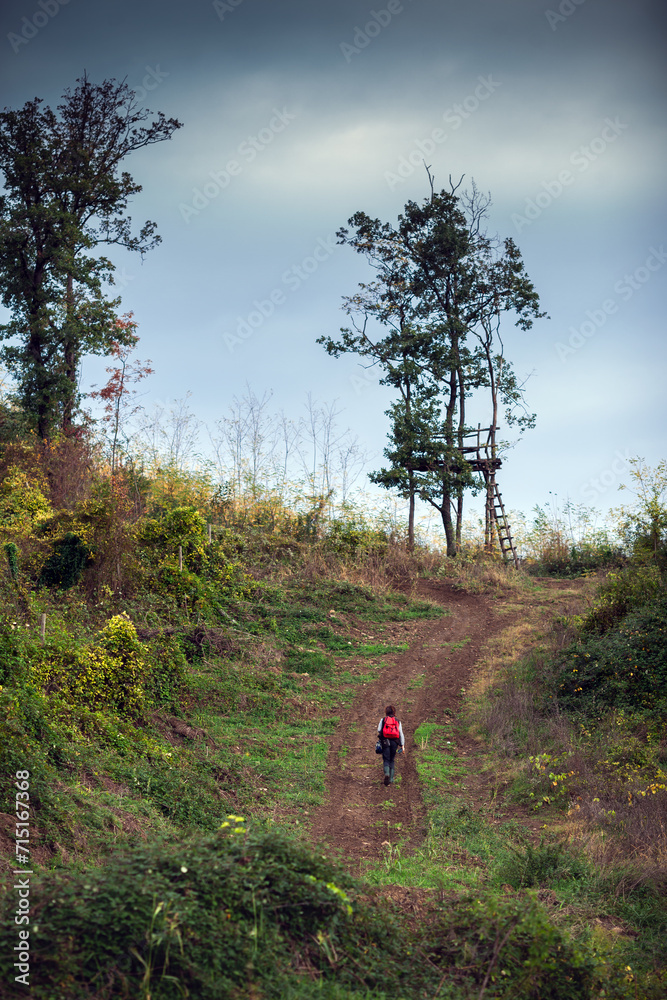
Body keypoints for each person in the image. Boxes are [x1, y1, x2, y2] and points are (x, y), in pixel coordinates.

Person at [378, 705, 405, 786]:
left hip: (385, 742)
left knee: (386, 759)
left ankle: (386, 773)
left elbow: (379, 730)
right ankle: (391, 778)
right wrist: (402, 745)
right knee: (392, 759)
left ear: (386, 711)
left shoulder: (383, 720)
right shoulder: (397, 721)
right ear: (394, 712)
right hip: (395, 742)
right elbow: (401, 733)